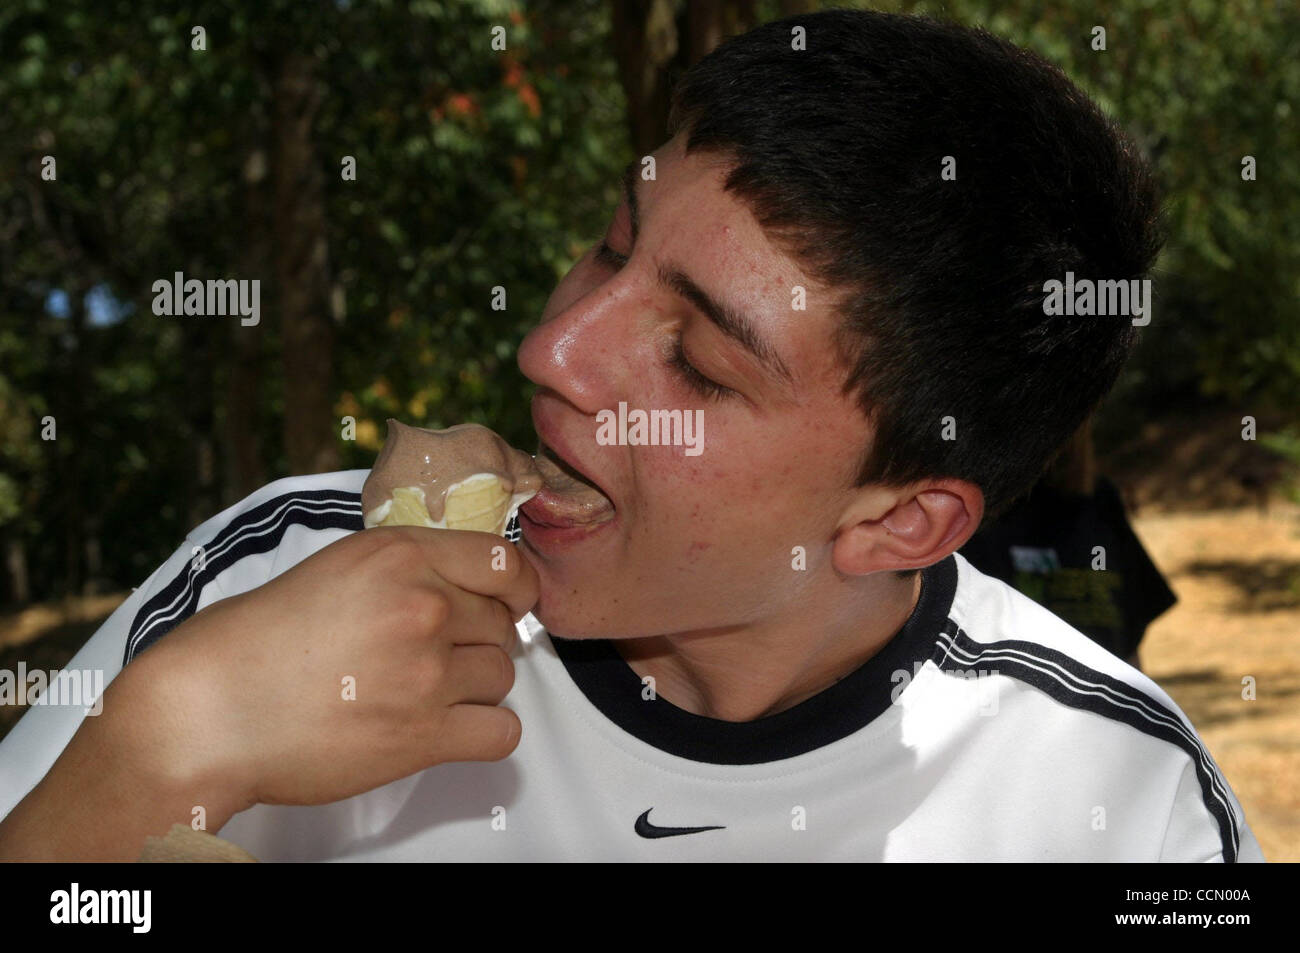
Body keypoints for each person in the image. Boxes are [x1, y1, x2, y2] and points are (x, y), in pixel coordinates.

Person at [0, 9, 1264, 861]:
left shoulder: (1121, 802)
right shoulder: (280, 577)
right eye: (611, 245)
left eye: (699, 362)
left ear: (897, 519)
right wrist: (157, 751)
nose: (550, 352)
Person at [959, 420, 1179, 671]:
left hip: (1101, 703)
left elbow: (1126, 639)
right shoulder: (975, 508)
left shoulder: (1099, 499)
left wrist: (1136, 705)